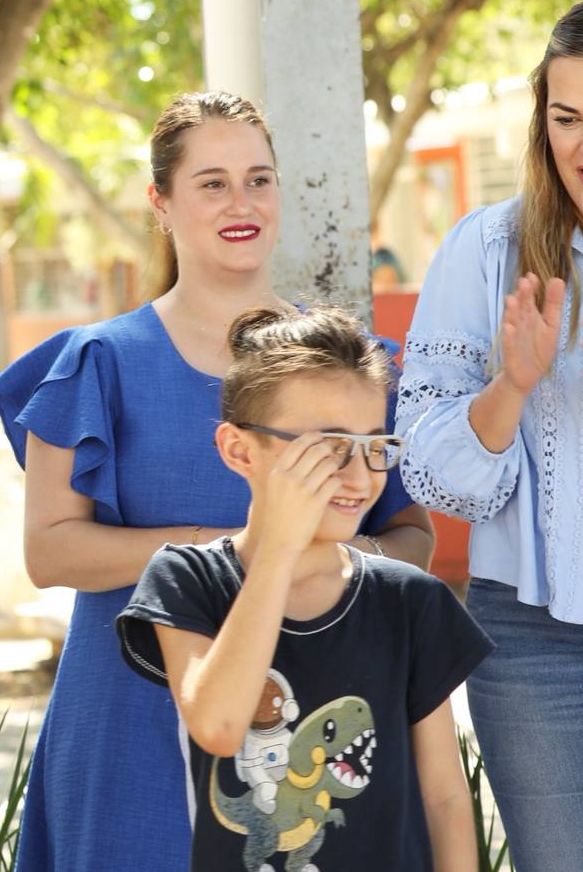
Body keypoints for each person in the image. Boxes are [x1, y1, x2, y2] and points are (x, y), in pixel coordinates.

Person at [0, 91, 435, 871]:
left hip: (313, 712)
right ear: (160, 202)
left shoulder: (350, 364)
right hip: (131, 716)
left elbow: (412, 537)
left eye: (259, 180)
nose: (242, 203)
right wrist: (239, 549)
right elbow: (50, 552)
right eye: (213, 182)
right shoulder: (98, 361)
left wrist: (320, 561)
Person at [396, 0, 583, 870]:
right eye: (567, 119)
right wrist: (510, 388)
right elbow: (434, 476)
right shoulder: (483, 251)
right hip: (535, 648)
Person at [116, 305, 491, 872]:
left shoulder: (410, 600)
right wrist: (279, 551)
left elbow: (443, 795)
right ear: (239, 450)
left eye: (373, 445)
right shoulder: (186, 582)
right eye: (328, 446)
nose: (361, 476)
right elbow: (219, 726)